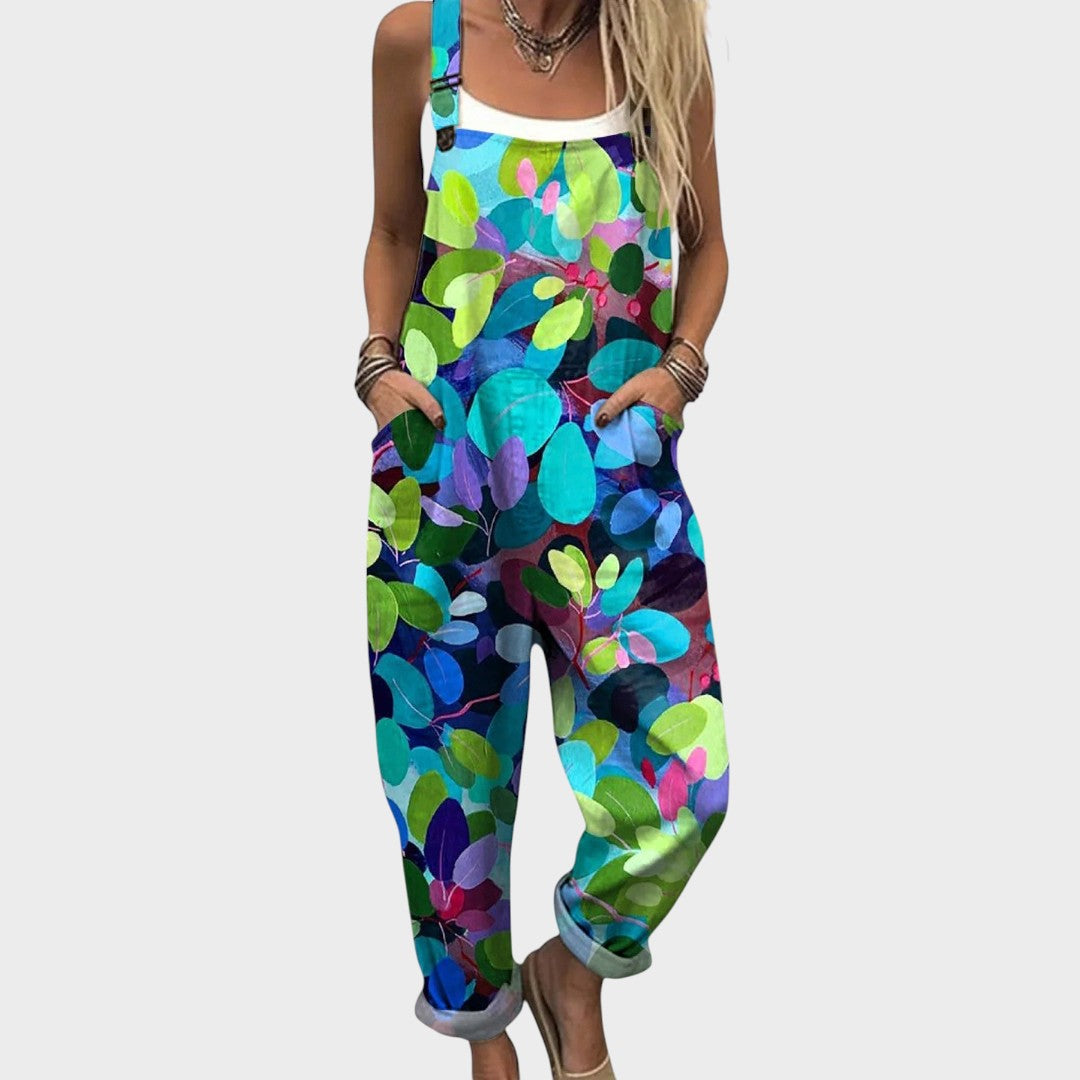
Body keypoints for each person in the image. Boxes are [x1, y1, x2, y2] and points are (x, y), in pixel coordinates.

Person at [356, 2, 729, 1076]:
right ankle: (485, 1044)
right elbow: (394, 234)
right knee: (448, 787)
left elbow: (707, 247)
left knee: (686, 780)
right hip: (442, 480)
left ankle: (572, 971)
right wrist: (377, 365)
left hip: (611, 488)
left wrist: (680, 370)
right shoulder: (420, 41)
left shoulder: (659, 49)